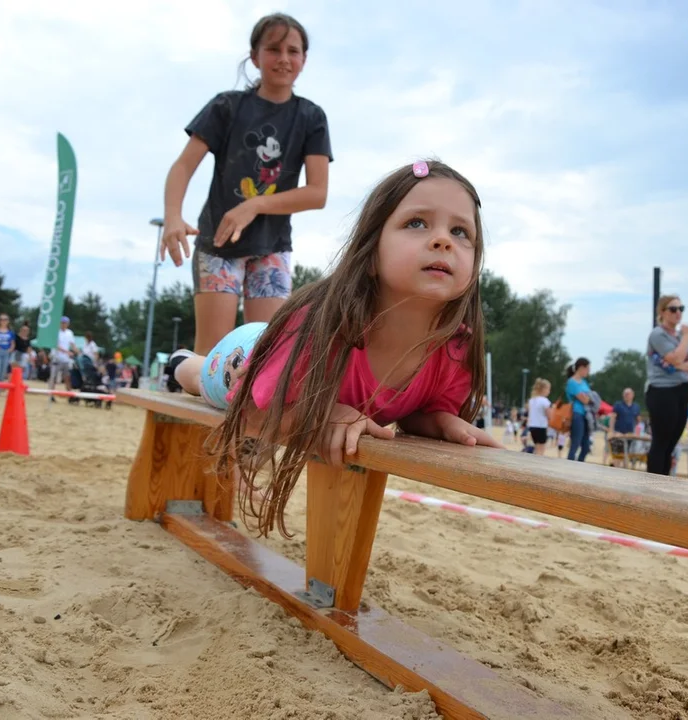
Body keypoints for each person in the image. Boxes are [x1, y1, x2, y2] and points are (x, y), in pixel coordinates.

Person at [164, 160, 500, 538]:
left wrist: (439, 420)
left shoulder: (455, 349)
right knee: (205, 377)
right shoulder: (321, 325)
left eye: (460, 231)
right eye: (417, 223)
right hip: (253, 355)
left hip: (285, 361)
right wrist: (323, 414)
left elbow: (415, 410)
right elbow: (253, 412)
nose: (443, 240)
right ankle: (179, 363)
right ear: (371, 254)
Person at [160, 12, 333, 357]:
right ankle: (185, 380)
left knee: (264, 356)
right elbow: (182, 166)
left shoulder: (311, 117)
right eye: (274, 49)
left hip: (272, 246)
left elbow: (317, 193)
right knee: (212, 356)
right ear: (255, 56)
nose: (284, 58)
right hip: (219, 244)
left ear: (304, 60)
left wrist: (252, 205)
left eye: (293, 51)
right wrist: (172, 217)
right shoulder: (227, 106)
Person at [644, 295, 688, 475]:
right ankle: (653, 484)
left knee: (671, 443)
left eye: (681, 309)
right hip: (662, 391)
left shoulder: (680, 337)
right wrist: (686, 336)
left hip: (681, 391)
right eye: (673, 309)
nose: (678, 313)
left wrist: (680, 365)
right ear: (662, 312)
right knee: (661, 441)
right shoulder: (658, 334)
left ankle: (664, 483)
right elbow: (675, 356)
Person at [564, 358, 592, 461]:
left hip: (586, 416)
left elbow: (588, 397)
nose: (589, 371)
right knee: (575, 443)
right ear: (581, 368)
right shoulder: (572, 382)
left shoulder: (584, 382)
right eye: (587, 369)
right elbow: (585, 400)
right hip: (576, 414)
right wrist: (589, 398)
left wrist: (588, 398)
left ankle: (579, 466)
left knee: (586, 446)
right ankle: (570, 467)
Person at [525, 379, 552, 456]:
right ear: (543, 389)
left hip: (532, 426)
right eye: (548, 389)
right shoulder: (545, 401)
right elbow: (549, 415)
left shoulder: (532, 400)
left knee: (537, 448)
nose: (549, 391)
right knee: (541, 449)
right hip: (541, 426)